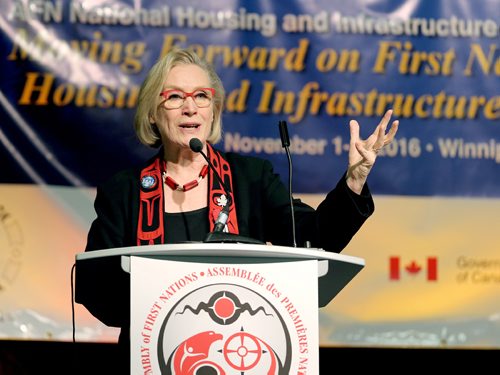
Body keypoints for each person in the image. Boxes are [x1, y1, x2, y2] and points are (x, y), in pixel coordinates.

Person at [75, 48, 398, 370]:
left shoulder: (249, 178)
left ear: (213, 111)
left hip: (244, 357)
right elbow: (95, 285)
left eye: (202, 96)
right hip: (151, 360)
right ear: (151, 113)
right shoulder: (125, 190)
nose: (190, 108)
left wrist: (354, 179)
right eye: (174, 97)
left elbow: (315, 239)